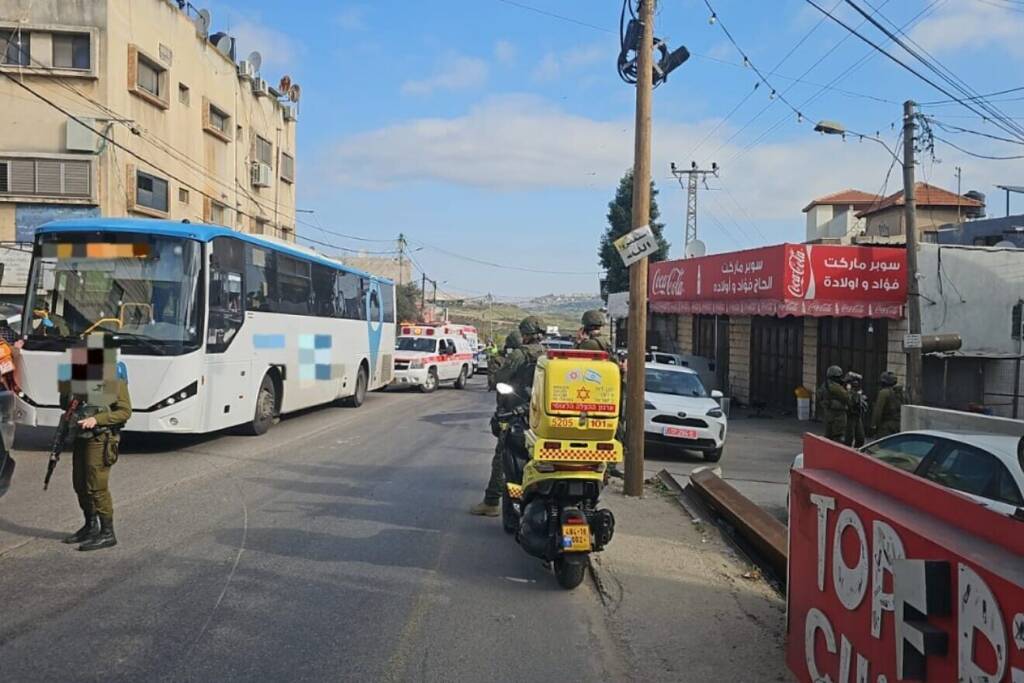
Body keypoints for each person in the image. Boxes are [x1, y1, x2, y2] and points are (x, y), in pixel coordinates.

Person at [59, 333, 132, 551]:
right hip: (80, 438)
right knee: (79, 484)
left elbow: (125, 411)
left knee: (96, 487)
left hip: (100, 438)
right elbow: (66, 406)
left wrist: (96, 419)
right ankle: (90, 526)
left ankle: (107, 533)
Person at [470, 317, 545, 517]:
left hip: (516, 413)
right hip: (539, 414)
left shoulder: (520, 355)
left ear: (526, 334)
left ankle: (492, 501)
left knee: (503, 456)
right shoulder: (547, 354)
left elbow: (499, 379)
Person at [818, 365, 849, 443]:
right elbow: (847, 397)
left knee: (828, 437)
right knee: (838, 438)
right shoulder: (835, 386)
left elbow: (820, 396)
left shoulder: (825, 385)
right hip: (837, 416)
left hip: (828, 414)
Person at [871, 371, 904, 438]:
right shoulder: (901, 393)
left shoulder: (884, 393)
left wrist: (874, 425)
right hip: (898, 425)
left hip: (886, 426)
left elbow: (878, 411)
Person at [843, 372, 868, 448]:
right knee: (848, 438)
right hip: (849, 416)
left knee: (860, 438)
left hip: (857, 416)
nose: (856, 384)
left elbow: (862, 404)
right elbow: (849, 402)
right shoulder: (846, 391)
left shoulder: (858, 392)